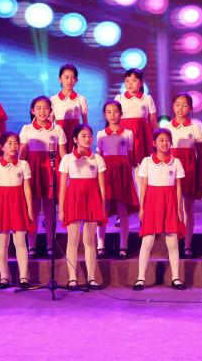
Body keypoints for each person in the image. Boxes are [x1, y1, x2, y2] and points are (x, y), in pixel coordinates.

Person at [134, 129, 186, 291]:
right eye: (161, 140)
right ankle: (140, 278)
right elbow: (143, 186)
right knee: (147, 241)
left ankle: (176, 278)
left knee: (172, 241)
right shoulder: (147, 161)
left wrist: (179, 209)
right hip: (152, 203)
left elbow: (178, 188)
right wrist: (142, 207)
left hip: (170, 203)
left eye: (167, 140)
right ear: (154, 143)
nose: (165, 143)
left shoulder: (176, 162)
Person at [59, 125, 107, 290]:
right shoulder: (67, 159)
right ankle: (72, 278)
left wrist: (102, 207)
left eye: (90, 136)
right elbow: (62, 187)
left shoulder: (97, 159)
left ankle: (91, 278)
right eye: (84, 136)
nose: (88, 139)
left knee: (89, 240)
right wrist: (61, 210)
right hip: (74, 199)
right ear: (75, 139)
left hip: (92, 199)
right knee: (72, 240)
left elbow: (102, 187)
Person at [18, 95, 66, 256]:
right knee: (33, 209)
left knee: (50, 211)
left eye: (46, 108)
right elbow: (22, 153)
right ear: (32, 111)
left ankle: (50, 245)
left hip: (51, 172)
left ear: (51, 110)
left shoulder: (57, 129)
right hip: (33, 172)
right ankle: (32, 245)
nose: (42, 111)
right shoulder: (26, 129)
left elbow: (63, 155)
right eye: (38, 108)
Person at [0, 133, 33, 289]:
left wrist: (30, 210)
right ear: (1, 147)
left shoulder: (23, 164)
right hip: (1, 205)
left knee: (20, 242)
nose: (14, 146)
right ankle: (4, 277)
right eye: (10, 143)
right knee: (2, 243)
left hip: (18, 204)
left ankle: (24, 277)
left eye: (16, 143)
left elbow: (27, 188)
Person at [95, 100, 137, 258]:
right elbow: (99, 158)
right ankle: (100, 245)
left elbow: (130, 157)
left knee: (123, 210)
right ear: (105, 115)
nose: (112, 115)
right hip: (106, 175)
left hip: (122, 175)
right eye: (109, 112)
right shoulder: (100, 134)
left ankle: (123, 245)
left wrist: (126, 175)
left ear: (121, 114)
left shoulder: (128, 133)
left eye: (115, 111)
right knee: (103, 209)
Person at [166, 93, 202, 257]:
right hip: (171, 172)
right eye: (177, 104)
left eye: (184, 105)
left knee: (188, 208)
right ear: (172, 106)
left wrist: (199, 176)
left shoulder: (195, 128)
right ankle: (174, 243)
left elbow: (200, 155)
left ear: (190, 108)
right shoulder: (167, 127)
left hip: (189, 171)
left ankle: (187, 245)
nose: (180, 108)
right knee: (174, 208)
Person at [115, 68, 157, 165]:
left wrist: (157, 139)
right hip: (123, 136)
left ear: (141, 83)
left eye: (134, 81)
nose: (130, 84)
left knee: (141, 164)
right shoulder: (119, 99)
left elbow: (153, 122)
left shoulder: (147, 99)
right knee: (125, 163)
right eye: (127, 81)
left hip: (142, 136)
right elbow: (113, 120)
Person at [50, 63, 88, 135]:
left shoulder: (81, 99)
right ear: (60, 79)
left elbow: (85, 125)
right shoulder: (53, 100)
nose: (70, 81)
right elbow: (50, 124)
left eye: (73, 78)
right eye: (66, 77)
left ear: (76, 80)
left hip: (75, 138)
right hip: (59, 138)